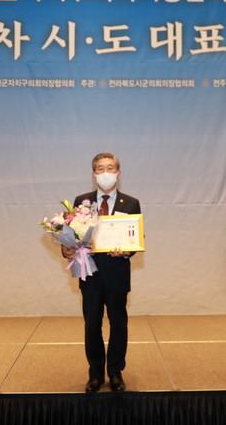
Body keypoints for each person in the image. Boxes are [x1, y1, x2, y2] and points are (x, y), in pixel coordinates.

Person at [62, 152, 141, 393]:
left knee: (118, 323)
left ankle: (115, 372)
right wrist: (66, 249)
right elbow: (72, 236)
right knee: (92, 324)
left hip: (117, 274)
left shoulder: (131, 203)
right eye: (100, 168)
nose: (105, 173)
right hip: (91, 274)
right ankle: (95, 373)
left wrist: (127, 250)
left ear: (118, 173)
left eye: (110, 168)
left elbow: (136, 237)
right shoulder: (82, 201)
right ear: (93, 174)